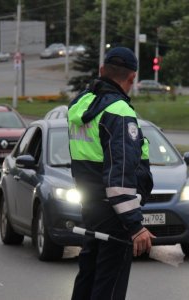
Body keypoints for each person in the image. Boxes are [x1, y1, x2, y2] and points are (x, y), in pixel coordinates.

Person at [68, 46, 155, 300]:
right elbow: (120, 178)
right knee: (110, 287)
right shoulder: (119, 112)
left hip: (92, 207)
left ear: (101, 71)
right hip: (115, 215)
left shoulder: (81, 105)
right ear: (133, 78)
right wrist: (135, 225)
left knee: (88, 277)